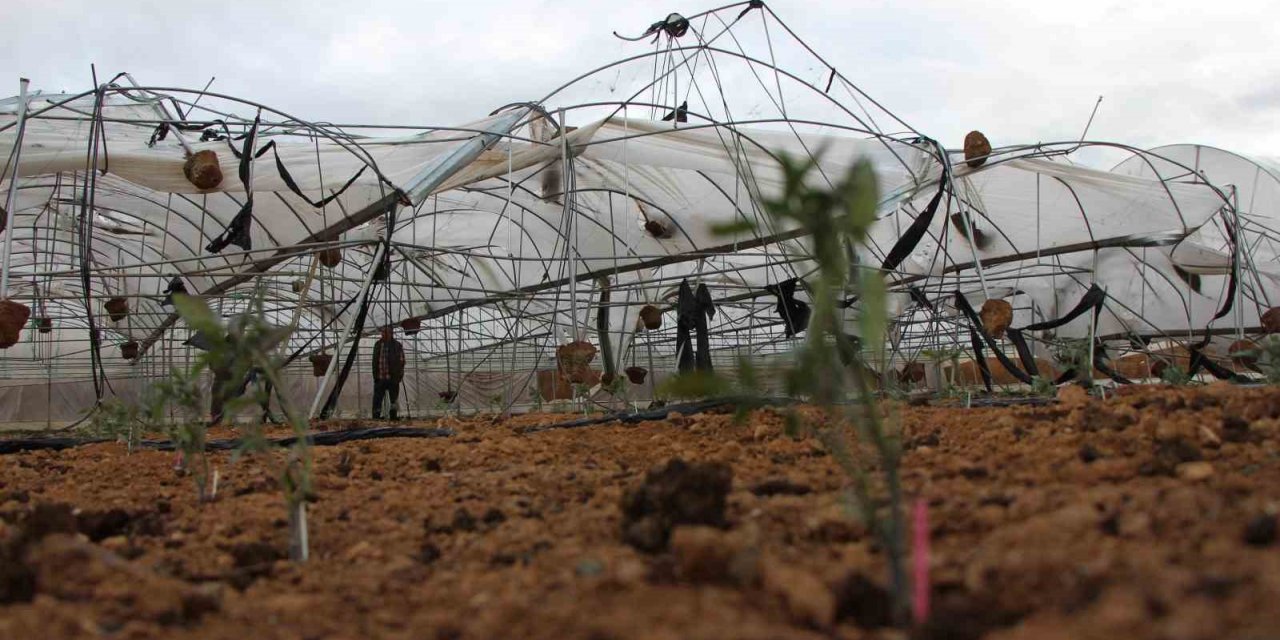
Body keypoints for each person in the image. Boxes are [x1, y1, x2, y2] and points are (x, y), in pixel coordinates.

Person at [372, 326, 405, 420]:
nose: (383, 334)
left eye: (385, 332)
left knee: (393, 400)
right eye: (382, 332)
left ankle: (393, 417)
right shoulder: (378, 344)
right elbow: (374, 361)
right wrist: (375, 376)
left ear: (391, 334)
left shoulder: (397, 345)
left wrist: (398, 375)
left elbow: (402, 361)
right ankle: (376, 418)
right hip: (380, 377)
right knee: (377, 400)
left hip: (392, 378)